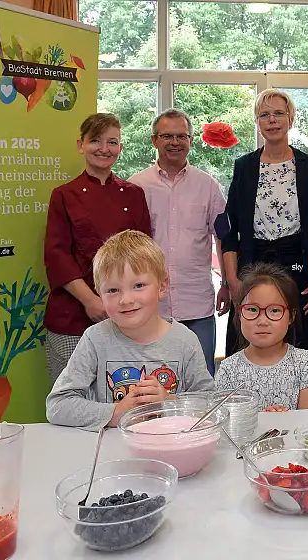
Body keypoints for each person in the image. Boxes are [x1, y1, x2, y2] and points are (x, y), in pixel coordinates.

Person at [46, 230, 214, 430]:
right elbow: (57, 406)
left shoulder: (185, 341)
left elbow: (210, 404)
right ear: (99, 293)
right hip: (113, 452)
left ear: (162, 286)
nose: (126, 300)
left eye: (138, 285)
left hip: (173, 449)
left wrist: (171, 403)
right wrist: (115, 413)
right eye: (113, 290)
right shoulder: (95, 339)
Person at [222, 89, 308, 372]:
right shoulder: (244, 166)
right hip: (253, 261)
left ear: (291, 119)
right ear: (257, 121)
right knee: (249, 338)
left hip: (299, 262)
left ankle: (305, 405)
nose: (272, 120)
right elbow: (229, 230)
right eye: (264, 114)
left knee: (303, 341)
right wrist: (232, 280)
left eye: (279, 113)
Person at [43, 113, 152, 383]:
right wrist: (90, 301)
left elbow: (145, 254)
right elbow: (56, 255)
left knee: (121, 393)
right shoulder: (64, 195)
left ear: (121, 148)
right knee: (72, 396)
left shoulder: (134, 194)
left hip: (125, 314)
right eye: (95, 141)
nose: (104, 149)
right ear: (81, 145)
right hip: (74, 315)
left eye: (112, 142)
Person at [128, 108, 229, 377]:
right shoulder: (136, 187)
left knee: (201, 376)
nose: (175, 142)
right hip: (149, 304)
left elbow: (222, 238)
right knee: (150, 378)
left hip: (197, 303)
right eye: (167, 136)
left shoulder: (208, 186)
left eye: (181, 136)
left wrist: (227, 284)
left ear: (191, 141)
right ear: (154, 140)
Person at [216, 263, 308, 411]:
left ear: (291, 316)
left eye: (274, 311)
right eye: (252, 309)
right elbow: (227, 423)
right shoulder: (229, 369)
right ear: (240, 313)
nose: (262, 321)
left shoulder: (304, 363)